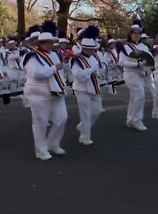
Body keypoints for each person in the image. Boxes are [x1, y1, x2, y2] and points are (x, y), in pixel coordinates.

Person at [22, 21, 67, 160]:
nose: (50, 44)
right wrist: (54, 68)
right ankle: (41, 150)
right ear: (40, 43)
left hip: (56, 91)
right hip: (38, 94)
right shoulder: (31, 56)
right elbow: (36, 73)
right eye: (46, 42)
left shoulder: (55, 54)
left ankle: (53, 143)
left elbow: (60, 72)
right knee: (40, 122)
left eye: (51, 42)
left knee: (62, 118)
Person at [118, 20, 151, 132]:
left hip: (141, 74)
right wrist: (136, 64)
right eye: (134, 33)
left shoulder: (144, 46)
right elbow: (121, 62)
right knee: (140, 95)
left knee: (134, 97)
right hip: (130, 73)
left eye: (138, 33)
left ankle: (130, 119)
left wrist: (147, 66)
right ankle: (137, 120)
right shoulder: (126, 47)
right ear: (130, 34)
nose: (136, 35)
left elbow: (149, 60)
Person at [72, 34, 105, 145]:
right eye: (90, 49)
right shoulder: (77, 60)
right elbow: (79, 76)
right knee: (85, 113)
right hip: (81, 89)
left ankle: (82, 127)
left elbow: (99, 73)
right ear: (84, 48)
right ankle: (85, 137)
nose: (92, 51)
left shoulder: (94, 58)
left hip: (94, 88)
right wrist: (91, 70)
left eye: (93, 48)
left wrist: (101, 69)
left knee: (98, 110)